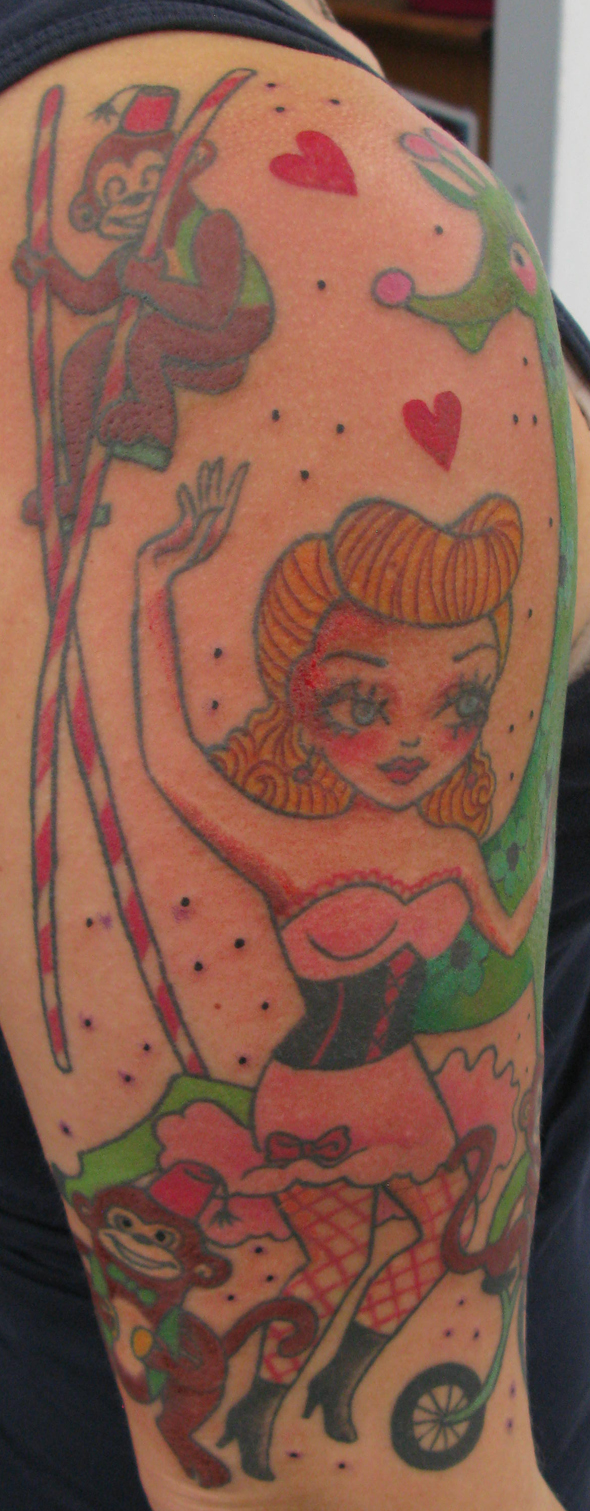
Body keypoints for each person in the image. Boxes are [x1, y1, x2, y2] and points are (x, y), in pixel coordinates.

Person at [0, 3, 589, 1510]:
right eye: (357, 703)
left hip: (414, 1144)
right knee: (335, 1304)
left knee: (369, 1284)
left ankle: (300, 1375)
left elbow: (512, 923)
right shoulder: (286, 166)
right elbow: (351, 1499)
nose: (414, 743)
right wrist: (152, 586)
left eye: (454, 708)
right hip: (322, 1155)